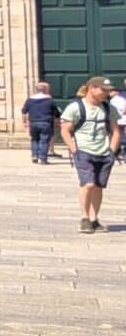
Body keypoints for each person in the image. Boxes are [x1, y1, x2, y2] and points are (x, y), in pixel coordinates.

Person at [62, 78, 121, 234]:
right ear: (92, 89)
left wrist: (112, 149)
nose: (106, 93)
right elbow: (65, 129)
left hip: (104, 152)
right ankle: (84, 218)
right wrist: (73, 147)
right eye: (104, 90)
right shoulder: (75, 107)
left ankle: (94, 219)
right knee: (88, 184)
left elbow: (116, 130)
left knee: (98, 186)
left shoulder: (108, 108)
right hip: (84, 151)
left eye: (108, 90)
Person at [25, 82, 62, 165]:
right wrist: (57, 120)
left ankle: (34, 155)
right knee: (44, 140)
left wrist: (25, 123)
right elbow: (56, 112)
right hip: (46, 122)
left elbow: (24, 111)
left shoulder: (29, 100)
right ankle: (43, 159)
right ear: (45, 90)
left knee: (34, 139)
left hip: (33, 122)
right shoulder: (49, 100)